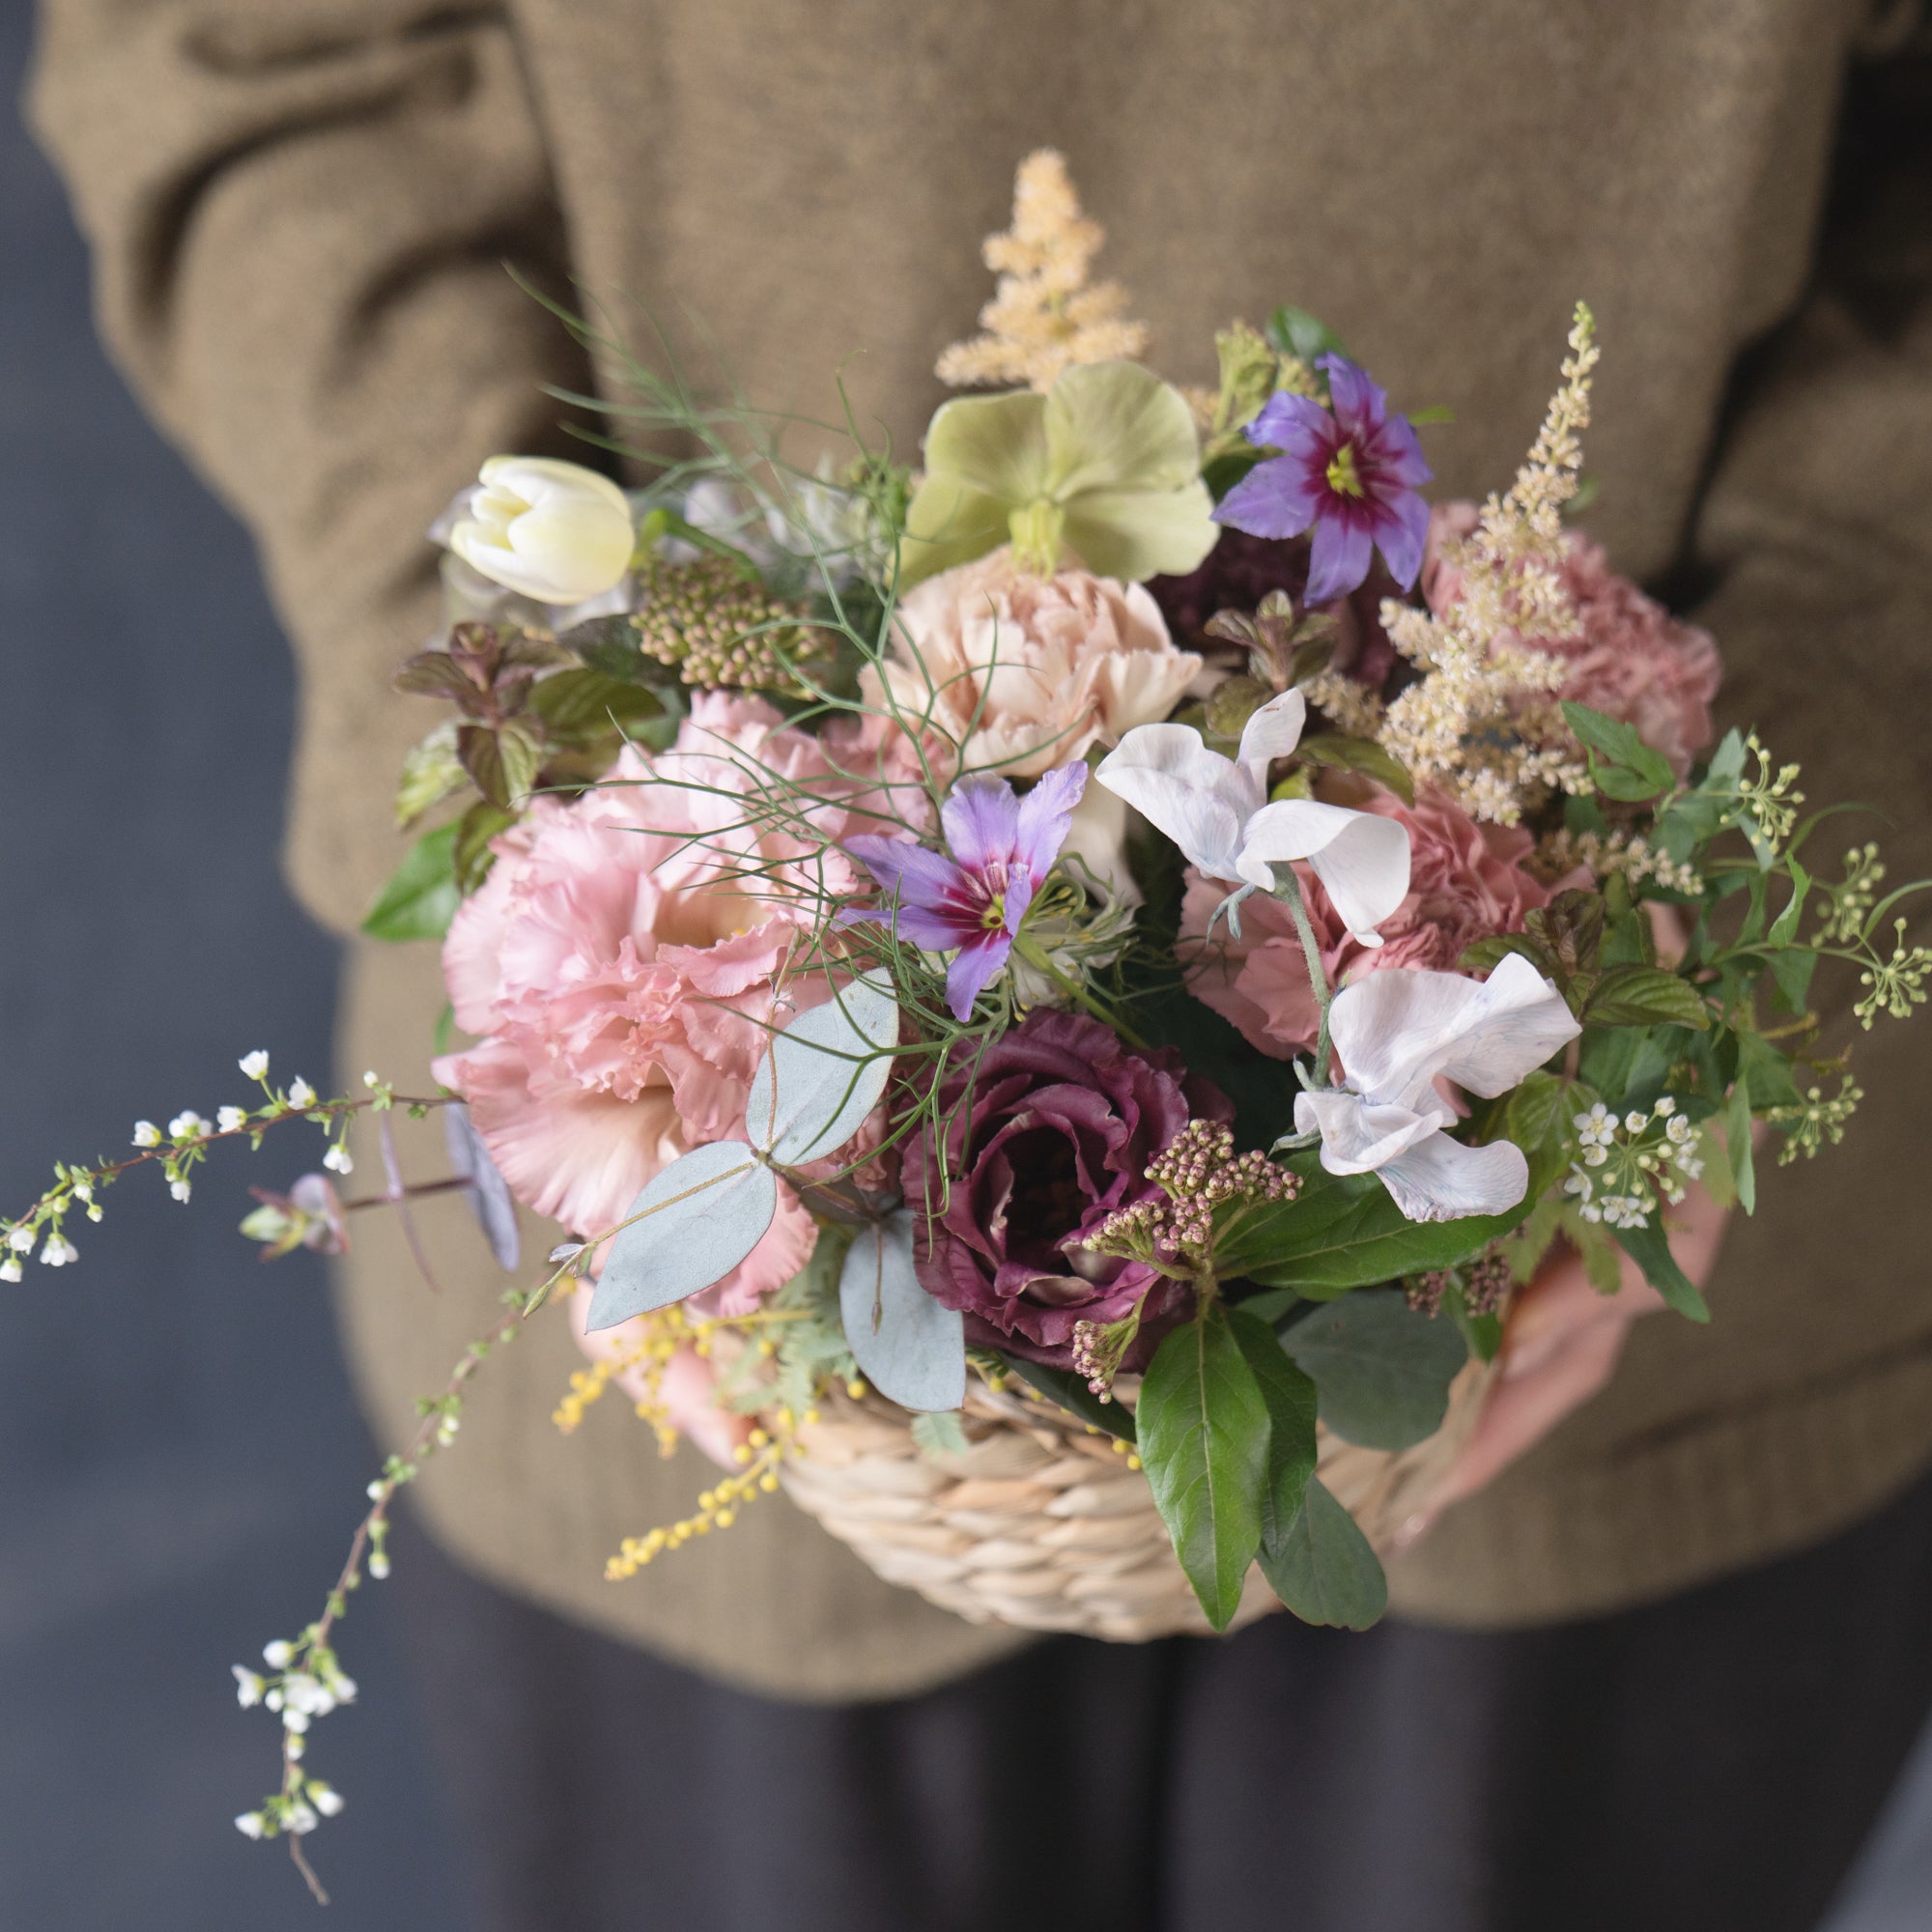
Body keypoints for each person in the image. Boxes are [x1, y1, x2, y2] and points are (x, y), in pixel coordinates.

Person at [25, 3, 1932, 1925]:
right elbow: (252, 63)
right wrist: (558, 819)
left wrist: (1701, 944)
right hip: (719, 1260)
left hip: (1620, 1295)